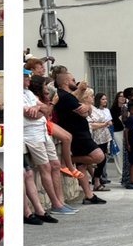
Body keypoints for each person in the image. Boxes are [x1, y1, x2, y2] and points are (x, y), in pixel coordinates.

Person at [23, 65, 74, 216]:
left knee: (55, 164)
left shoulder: (29, 93)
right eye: (25, 76)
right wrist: (40, 110)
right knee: (45, 167)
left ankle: (60, 201)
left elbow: (45, 111)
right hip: (31, 135)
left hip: (43, 132)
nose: (28, 78)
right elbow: (33, 114)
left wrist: (38, 109)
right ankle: (55, 203)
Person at [50, 67, 105, 205]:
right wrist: (87, 105)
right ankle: (68, 160)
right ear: (66, 82)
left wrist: (86, 107)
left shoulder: (68, 96)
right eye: (73, 80)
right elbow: (83, 112)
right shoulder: (65, 96)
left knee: (82, 167)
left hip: (80, 132)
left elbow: (86, 112)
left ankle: (89, 195)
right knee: (99, 156)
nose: (76, 82)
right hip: (77, 134)